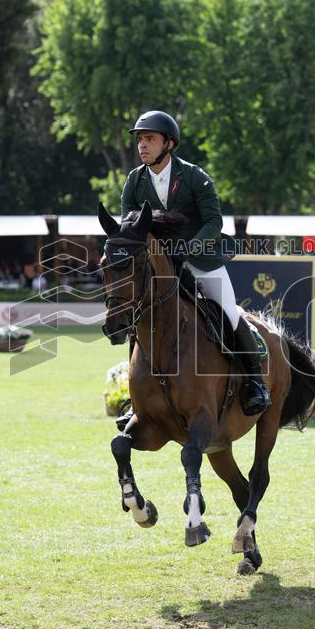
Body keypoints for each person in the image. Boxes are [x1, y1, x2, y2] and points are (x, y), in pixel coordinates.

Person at [117, 110, 270, 417]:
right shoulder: (135, 180)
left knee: (229, 313)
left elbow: (214, 221)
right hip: (160, 268)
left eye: (149, 139)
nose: (142, 145)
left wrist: (188, 248)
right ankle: (138, 399)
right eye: (140, 140)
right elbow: (127, 223)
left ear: (168, 143)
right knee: (138, 318)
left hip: (200, 261)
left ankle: (255, 382)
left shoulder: (195, 177)